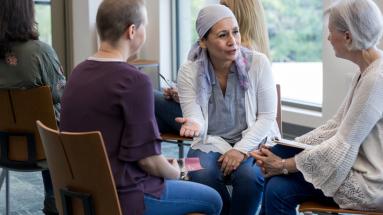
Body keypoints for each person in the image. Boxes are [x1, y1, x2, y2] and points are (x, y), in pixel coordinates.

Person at [59, 0, 222, 215]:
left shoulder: (77, 73)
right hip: (125, 196)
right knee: (213, 199)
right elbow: (150, 162)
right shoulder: (134, 81)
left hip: (81, 191)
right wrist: (176, 173)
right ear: (132, 31)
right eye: (144, 26)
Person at [251, 0, 383, 214]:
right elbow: (335, 126)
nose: (329, 38)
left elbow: (342, 146)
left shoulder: (376, 79)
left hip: (369, 185)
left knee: (277, 188)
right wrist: (288, 147)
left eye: (331, 32)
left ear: (348, 37)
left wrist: (284, 165)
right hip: (355, 167)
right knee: (277, 163)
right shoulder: (366, 70)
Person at [175, 4, 280, 215]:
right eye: (223, 35)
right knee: (197, 170)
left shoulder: (259, 63)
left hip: (255, 141)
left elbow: (267, 117)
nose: (233, 41)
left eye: (235, 32)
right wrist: (194, 124)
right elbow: (194, 114)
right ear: (203, 41)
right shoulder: (189, 70)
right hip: (210, 141)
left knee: (250, 177)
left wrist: (240, 149)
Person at [154, 0, 271, 134]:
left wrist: (182, 97)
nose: (218, 11)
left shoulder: (239, 53)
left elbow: (223, 107)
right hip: (208, 118)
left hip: (216, 123)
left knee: (149, 100)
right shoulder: (252, 44)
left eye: (224, 7)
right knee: (150, 117)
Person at [0, 1, 66, 214]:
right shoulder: (41, 52)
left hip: (2, 148)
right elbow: (62, 93)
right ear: (25, 13)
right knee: (52, 121)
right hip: (46, 149)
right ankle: (54, 198)